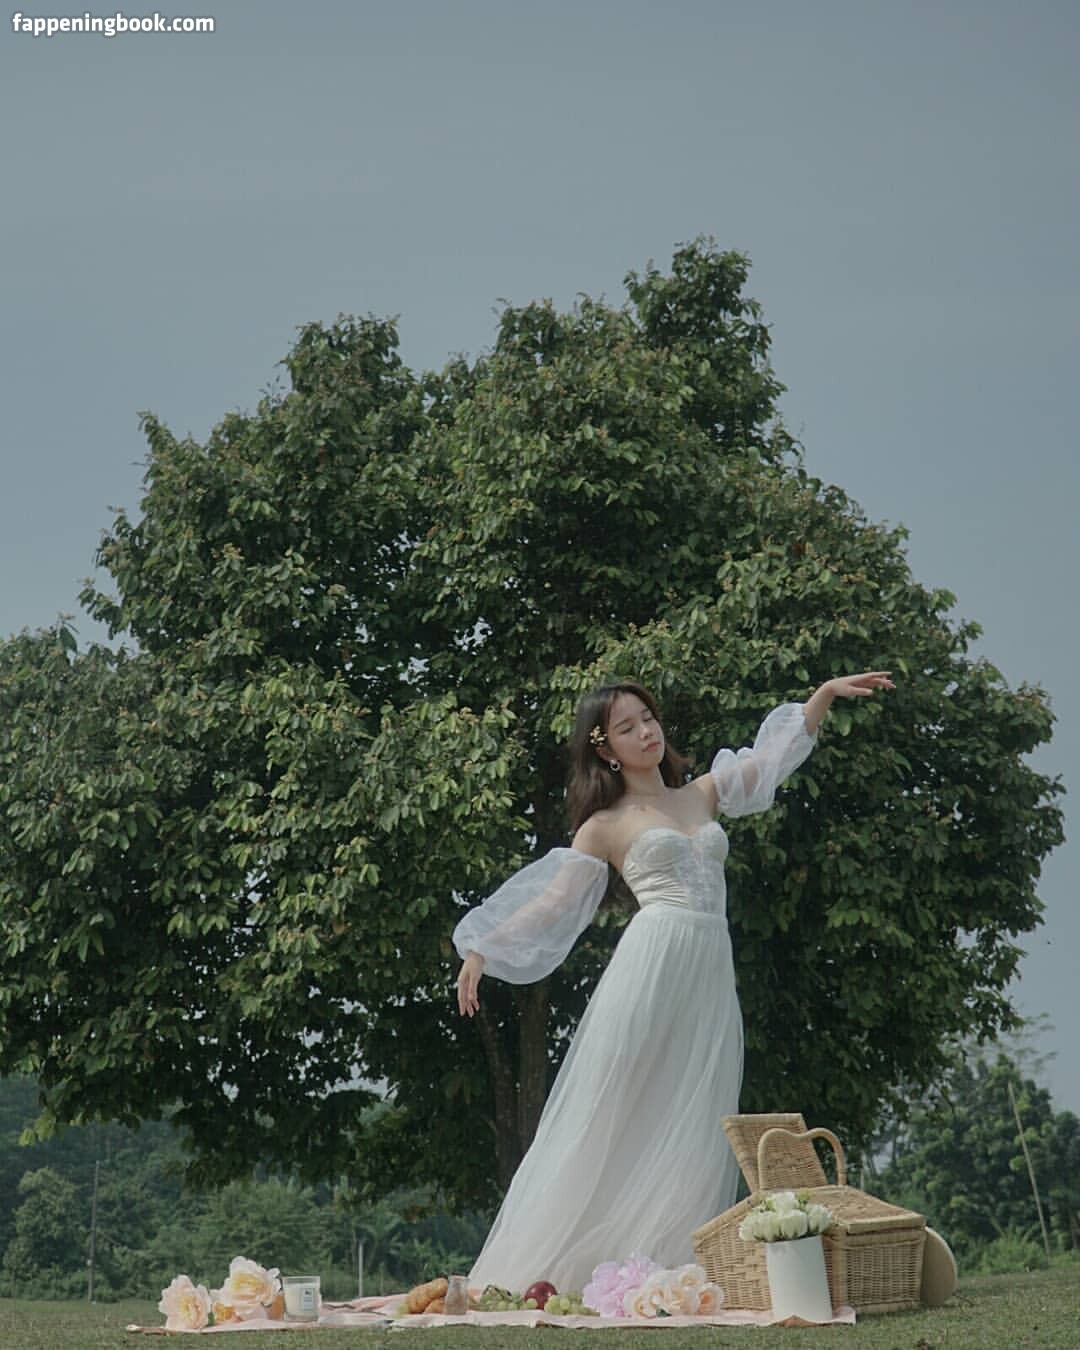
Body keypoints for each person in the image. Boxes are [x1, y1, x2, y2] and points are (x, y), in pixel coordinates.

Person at [454, 672, 894, 1294]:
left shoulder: (702, 794)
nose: (646, 732)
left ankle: (661, 1268)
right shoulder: (604, 824)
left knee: (694, 1109)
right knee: (612, 1105)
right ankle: (553, 1263)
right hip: (651, 962)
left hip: (709, 967)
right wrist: (484, 947)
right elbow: (553, 903)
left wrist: (819, 697)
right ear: (606, 748)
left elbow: (770, 760)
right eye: (627, 727)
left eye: (648, 718)